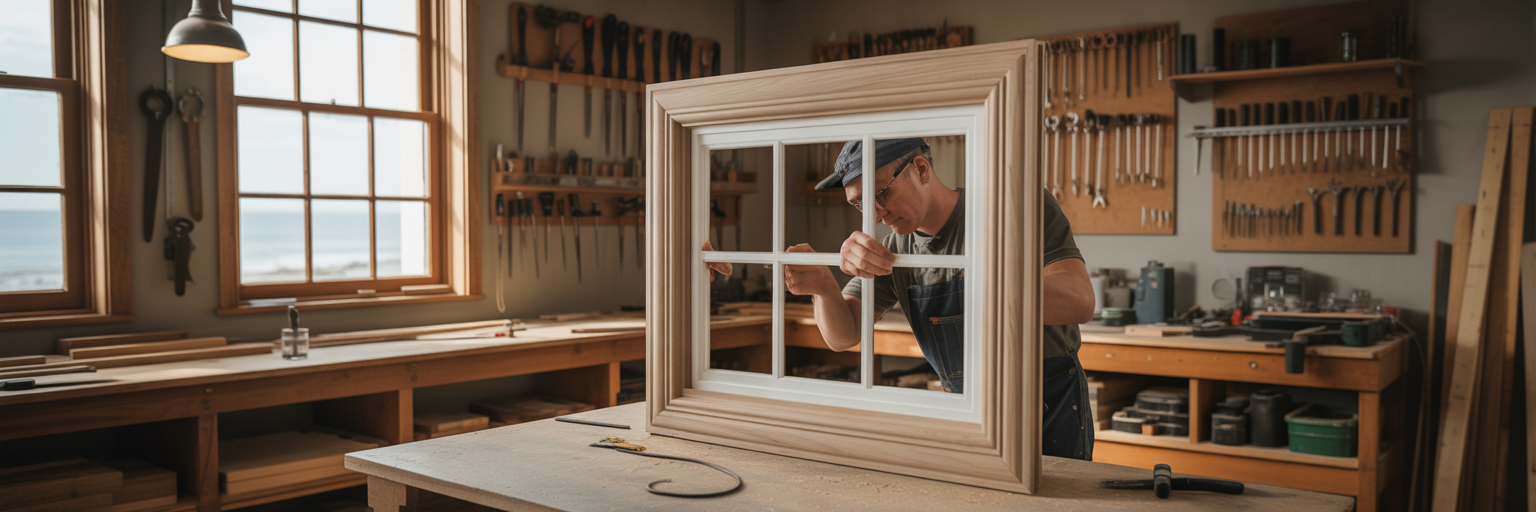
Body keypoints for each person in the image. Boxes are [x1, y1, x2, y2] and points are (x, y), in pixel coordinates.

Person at [784, 138, 1097, 460]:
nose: (876, 214)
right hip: (967, 411)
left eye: (881, 193)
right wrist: (823, 288)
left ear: (920, 169)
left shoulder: (1013, 206)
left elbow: (1079, 301)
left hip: (1048, 403)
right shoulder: (896, 251)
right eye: (862, 204)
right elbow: (843, 335)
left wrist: (984, 274)